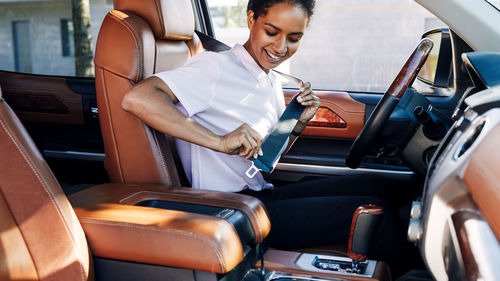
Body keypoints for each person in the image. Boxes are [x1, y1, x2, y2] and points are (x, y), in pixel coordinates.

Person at [122, 0, 413, 270]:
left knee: (379, 186)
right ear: (251, 19)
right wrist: (219, 142)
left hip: (261, 194)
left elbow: (267, 158)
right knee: (373, 211)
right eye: (272, 32)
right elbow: (139, 98)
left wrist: (298, 123)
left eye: (294, 38)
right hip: (231, 209)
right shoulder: (214, 68)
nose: (281, 46)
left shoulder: (270, 78)